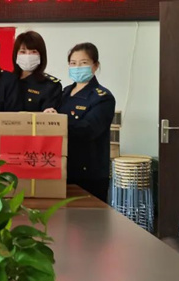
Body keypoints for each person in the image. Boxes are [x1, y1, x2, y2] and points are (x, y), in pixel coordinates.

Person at [45, 43, 115, 202]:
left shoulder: (103, 97)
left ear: (95, 66)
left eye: (83, 63)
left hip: (89, 174)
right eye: (73, 63)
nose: (77, 67)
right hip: (63, 168)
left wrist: (58, 122)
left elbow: (89, 129)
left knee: (88, 215)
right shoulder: (64, 93)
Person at [13, 31, 62, 112]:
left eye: (33, 52)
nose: (28, 56)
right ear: (16, 55)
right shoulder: (7, 81)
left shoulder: (50, 86)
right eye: (23, 52)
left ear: (41, 55)